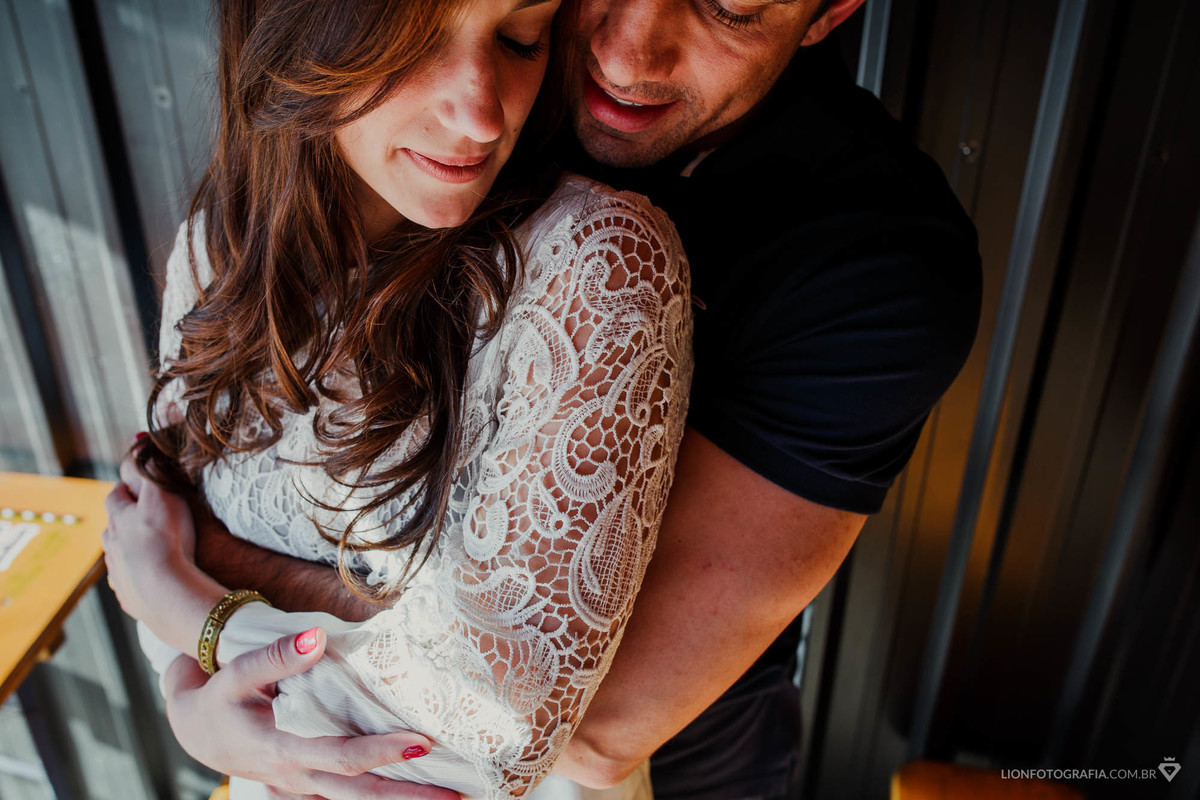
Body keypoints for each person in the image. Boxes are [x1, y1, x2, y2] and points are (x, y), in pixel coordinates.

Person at [115, 0, 983, 797]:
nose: (625, 53)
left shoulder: (875, 262)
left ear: (831, 9)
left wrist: (195, 600)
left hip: (673, 769)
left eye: (731, 7)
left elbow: (576, 723)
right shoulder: (258, 220)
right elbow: (163, 498)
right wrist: (195, 707)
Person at [101, 0, 694, 798]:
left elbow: (489, 730)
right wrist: (188, 708)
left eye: (521, 39)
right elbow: (143, 528)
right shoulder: (220, 245)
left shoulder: (595, 270)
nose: (481, 115)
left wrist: (195, 612)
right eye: (412, 43)